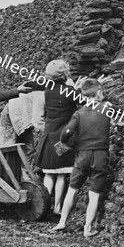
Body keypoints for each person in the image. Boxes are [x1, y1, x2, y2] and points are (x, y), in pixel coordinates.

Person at [52, 79, 124, 237]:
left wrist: (66, 145)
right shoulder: (106, 107)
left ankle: (62, 222)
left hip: (82, 156)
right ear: (99, 93)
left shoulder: (78, 113)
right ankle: (88, 229)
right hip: (100, 156)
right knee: (94, 193)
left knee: (72, 189)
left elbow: (65, 133)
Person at [34, 59, 84, 214]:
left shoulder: (47, 91)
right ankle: (57, 207)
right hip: (63, 139)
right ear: (65, 74)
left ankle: (44, 207)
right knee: (61, 175)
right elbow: (81, 101)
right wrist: (77, 88)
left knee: (49, 173)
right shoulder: (70, 91)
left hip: (49, 137)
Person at [0, 81, 45, 170]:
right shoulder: (43, 93)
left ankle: (23, 173)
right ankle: (10, 172)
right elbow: (38, 121)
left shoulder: (42, 91)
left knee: (26, 146)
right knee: (9, 146)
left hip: (18, 109)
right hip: (16, 110)